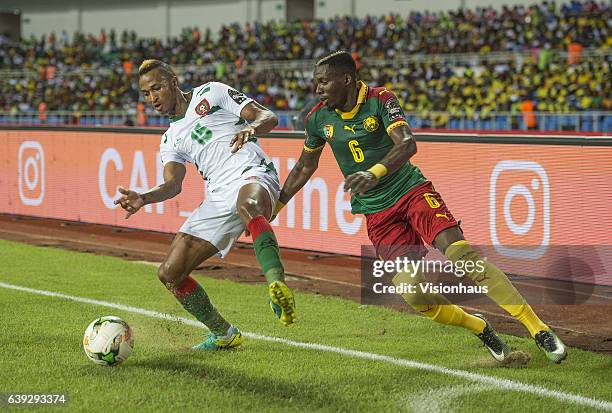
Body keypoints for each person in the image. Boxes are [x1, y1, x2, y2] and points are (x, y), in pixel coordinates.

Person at [275, 51, 567, 363]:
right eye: (315, 83)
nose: (316, 89)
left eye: (322, 82)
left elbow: (407, 143)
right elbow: (305, 167)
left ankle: (538, 330)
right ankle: (480, 327)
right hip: (377, 214)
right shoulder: (318, 118)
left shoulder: (381, 99)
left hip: (411, 191)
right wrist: (276, 207)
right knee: (413, 292)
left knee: (462, 255)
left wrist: (373, 174)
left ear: (345, 79)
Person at [114, 59, 296, 350]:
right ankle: (224, 334)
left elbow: (268, 117)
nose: (152, 99)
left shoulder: (211, 93)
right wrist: (144, 197)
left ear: (173, 82)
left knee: (248, 205)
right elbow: (173, 184)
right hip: (218, 196)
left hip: (252, 172)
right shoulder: (170, 139)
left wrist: (252, 129)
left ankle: (277, 283)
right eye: (146, 94)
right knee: (169, 274)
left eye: (156, 89)